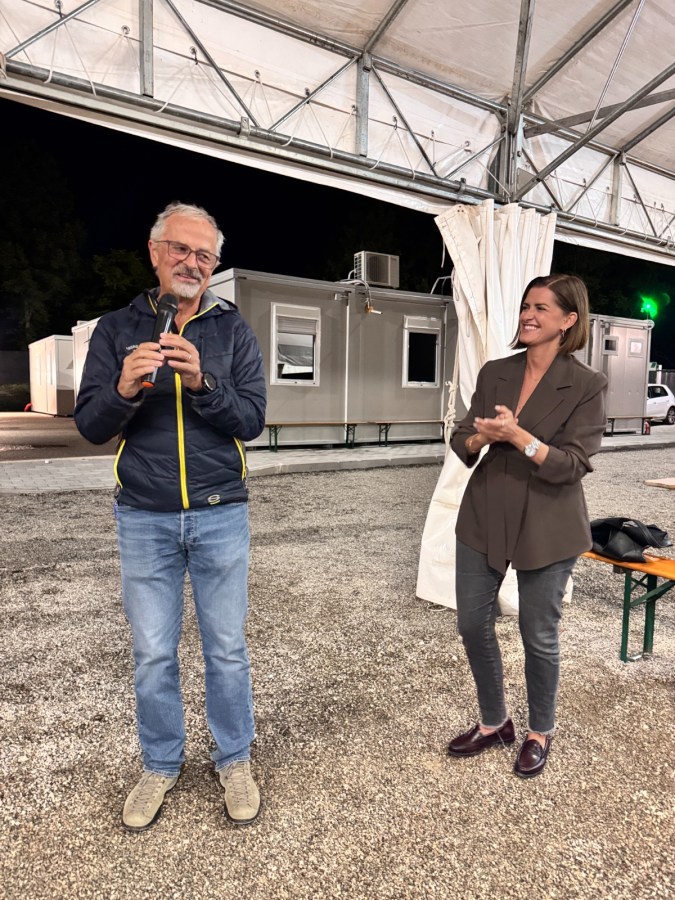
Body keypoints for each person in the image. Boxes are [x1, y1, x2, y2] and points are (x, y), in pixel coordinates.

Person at [74, 202, 266, 828]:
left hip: (220, 513)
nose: (192, 263)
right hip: (145, 516)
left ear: (214, 266)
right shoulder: (114, 329)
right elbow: (91, 426)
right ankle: (160, 763)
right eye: (181, 250)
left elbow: (253, 421)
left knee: (228, 649)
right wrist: (126, 389)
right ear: (155, 252)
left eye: (204, 255)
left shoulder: (232, 330)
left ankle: (233, 756)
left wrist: (204, 386)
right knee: (153, 652)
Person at [446, 274, 607, 778]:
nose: (528, 316)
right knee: (472, 624)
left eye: (541, 308)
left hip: (549, 523)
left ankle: (540, 730)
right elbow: (461, 438)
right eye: (525, 306)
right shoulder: (496, 371)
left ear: (569, 320)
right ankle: (495, 722)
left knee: (538, 633)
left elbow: (573, 464)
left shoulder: (587, 384)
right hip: (484, 513)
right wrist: (479, 439)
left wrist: (519, 437)